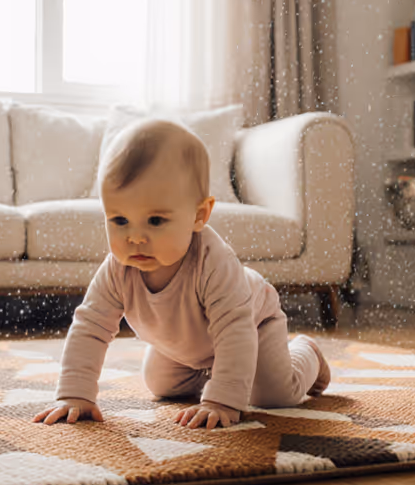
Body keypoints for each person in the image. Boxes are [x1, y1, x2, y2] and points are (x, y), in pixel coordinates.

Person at [32, 118, 330, 430]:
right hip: (189, 344)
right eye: (120, 220)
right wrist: (75, 393)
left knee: (275, 394)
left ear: (199, 216)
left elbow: (234, 332)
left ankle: (306, 352)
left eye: (156, 221)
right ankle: (217, 368)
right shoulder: (117, 270)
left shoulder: (214, 263)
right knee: (161, 386)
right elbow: (90, 327)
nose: (135, 237)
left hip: (251, 323)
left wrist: (221, 400)